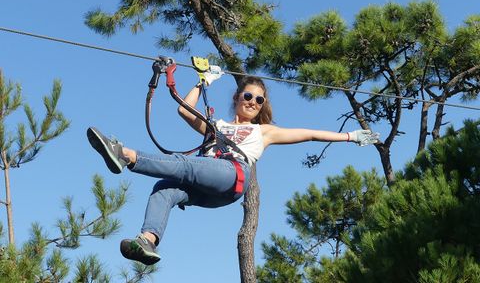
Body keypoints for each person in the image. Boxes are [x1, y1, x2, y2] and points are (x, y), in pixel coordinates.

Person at [86, 71, 379, 265]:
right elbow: (183, 109)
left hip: (232, 175)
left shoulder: (264, 131)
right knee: (165, 189)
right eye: (248, 96)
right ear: (237, 98)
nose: (253, 102)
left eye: (259, 99)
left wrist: (351, 137)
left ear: (262, 106)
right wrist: (203, 82)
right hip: (211, 189)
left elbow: (310, 133)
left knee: (185, 165)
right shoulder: (218, 126)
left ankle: (124, 154)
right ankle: (148, 241)